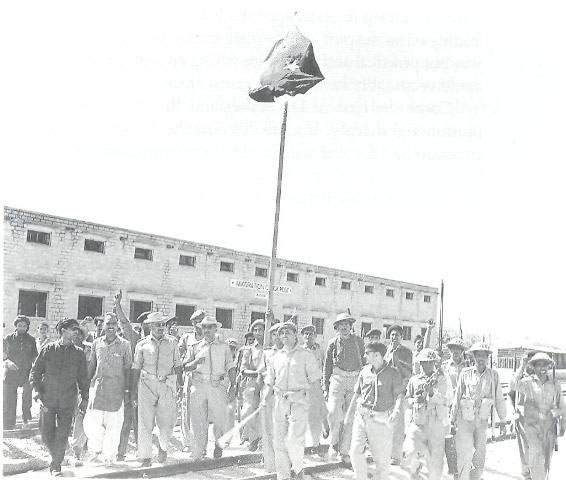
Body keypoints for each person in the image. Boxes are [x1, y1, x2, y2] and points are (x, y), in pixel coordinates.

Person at [30, 318, 89, 476]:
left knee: (62, 433)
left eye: (77, 329)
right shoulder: (48, 349)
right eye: (72, 329)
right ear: (63, 330)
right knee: (46, 432)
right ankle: (56, 456)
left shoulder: (79, 353)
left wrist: (85, 398)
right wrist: (36, 390)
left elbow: (83, 378)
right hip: (48, 398)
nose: (76, 332)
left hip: (67, 400)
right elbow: (36, 372)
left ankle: (56, 465)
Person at [262, 321, 321, 480]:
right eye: (281, 333)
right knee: (279, 442)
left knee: (294, 440)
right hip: (280, 402)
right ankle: (283, 476)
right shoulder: (275, 357)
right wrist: (265, 398)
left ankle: (298, 469)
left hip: (299, 401)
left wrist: (319, 407)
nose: (284, 335)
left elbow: (315, 382)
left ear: (295, 334)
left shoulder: (306, 355)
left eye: (288, 332)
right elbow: (270, 381)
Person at [344, 341, 404, 480]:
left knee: (381, 459)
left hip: (381, 418)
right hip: (362, 415)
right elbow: (357, 394)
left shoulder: (393, 373)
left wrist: (396, 412)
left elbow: (400, 395)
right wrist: (348, 415)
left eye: (367, 353)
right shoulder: (364, 371)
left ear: (377, 355)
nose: (365, 356)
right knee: (354, 451)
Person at [131, 312, 181, 467]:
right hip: (146, 385)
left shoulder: (173, 343)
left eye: (163, 324)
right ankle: (145, 457)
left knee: (166, 422)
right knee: (145, 422)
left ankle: (163, 447)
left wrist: (179, 385)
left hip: (166, 385)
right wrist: (133, 391)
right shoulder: (142, 344)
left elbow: (177, 365)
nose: (161, 328)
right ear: (150, 326)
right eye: (157, 325)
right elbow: (136, 367)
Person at [183, 315, 236, 460]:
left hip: (217, 385)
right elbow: (185, 367)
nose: (206, 330)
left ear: (215, 328)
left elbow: (230, 367)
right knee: (198, 420)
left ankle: (218, 445)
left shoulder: (224, 347)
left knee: (219, 419)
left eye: (209, 327)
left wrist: (233, 385)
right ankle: (199, 451)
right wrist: (194, 362)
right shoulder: (194, 347)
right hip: (199, 385)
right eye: (204, 327)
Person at [451, 342, 506, 480]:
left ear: (488, 358)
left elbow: (499, 399)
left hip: (481, 421)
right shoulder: (465, 373)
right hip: (465, 419)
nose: (481, 359)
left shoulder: (493, 375)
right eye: (478, 356)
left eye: (484, 356)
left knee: (480, 456)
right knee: (465, 453)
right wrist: (452, 420)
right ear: (473, 357)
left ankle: (474, 477)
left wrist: (503, 420)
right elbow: (457, 396)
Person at [83, 313, 132, 466]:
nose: (111, 326)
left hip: (116, 392)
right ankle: (95, 452)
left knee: (114, 426)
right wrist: (85, 389)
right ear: (103, 325)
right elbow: (92, 366)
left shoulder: (125, 344)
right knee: (92, 425)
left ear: (118, 326)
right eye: (108, 323)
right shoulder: (97, 343)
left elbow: (128, 368)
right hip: (97, 390)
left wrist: (128, 391)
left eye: (114, 324)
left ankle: (109, 456)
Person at [511, 352, 565, 480]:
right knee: (536, 462)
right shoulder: (527, 383)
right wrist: (522, 366)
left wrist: (562, 423)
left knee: (546, 463)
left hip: (549, 430)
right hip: (533, 430)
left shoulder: (555, 384)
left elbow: (562, 407)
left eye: (545, 365)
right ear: (533, 367)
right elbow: (513, 385)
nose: (543, 368)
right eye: (539, 364)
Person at [403, 348, 452, 480]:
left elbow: (445, 399)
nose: (427, 365)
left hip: (435, 423)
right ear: (420, 363)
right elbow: (406, 400)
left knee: (435, 463)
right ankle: (416, 471)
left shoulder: (441, 379)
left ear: (435, 363)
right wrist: (414, 400)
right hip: (418, 422)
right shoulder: (414, 379)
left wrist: (431, 393)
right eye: (424, 362)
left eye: (431, 362)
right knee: (410, 453)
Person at [323, 312, 365, 464]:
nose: (344, 327)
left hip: (354, 379)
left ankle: (344, 451)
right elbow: (327, 365)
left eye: (346, 324)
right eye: (341, 325)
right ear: (337, 327)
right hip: (337, 379)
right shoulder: (332, 343)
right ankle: (334, 443)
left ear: (350, 326)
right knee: (334, 413)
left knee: (349, 418)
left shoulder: (358, 341)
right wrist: (325, 387)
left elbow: (365, 362)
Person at [113, 290, 141, 461]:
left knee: (142, 422)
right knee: (126, 419)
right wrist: (117, 304)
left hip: (146, 386)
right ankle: (121, 452)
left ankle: (142, 451)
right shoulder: (135, 338)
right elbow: (123, 322)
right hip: (129, 384)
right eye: (145, 324)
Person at [383, 324, 413, 465]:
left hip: (399, 389)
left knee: (398, 424)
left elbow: (409, 373)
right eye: (392, 335)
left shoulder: (406, 352)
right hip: (386, 390)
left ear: (402, 337)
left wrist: (397, 362)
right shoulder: (385, 351)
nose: (394, 337)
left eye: (397, 335)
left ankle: (396, 456)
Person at [3, 315, 38, 429]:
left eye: (24, 326)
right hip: (11, 373)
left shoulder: (31, 340)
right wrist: (8, 363)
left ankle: (26, 421)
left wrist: (35, 369)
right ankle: (8, 425)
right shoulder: (8, 338)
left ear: (27, 327)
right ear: (16, 326)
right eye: (19, 326)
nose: (22, 328)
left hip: (26, 373)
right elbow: (3, 357)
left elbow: (34, 357)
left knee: (27, 398)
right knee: (9, 399)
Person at [508, 350, 537, 480]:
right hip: (522, 418)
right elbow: (511, 393)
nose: (530, 364)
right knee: (525, 450)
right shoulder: (519, 376)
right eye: (528, 361)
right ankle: (527, 475)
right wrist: (513, 412)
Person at [179, 310, 205, 452]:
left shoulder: (210, 337)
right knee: (187, 408)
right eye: (194, 322)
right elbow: (179, 355)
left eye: (199, 321)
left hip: (205, 377)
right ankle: (187, 442)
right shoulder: (187, 338)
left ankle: (200, 441)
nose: (196, 324)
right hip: (190, 376)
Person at [259, 318, 282, 473]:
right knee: (268, 431)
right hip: (268, 395)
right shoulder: (267, 353)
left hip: (285, 397)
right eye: (274, 334)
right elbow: (261, 374)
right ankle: (270, 465)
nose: (277, 337)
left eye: (279, 334)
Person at [238, 318, 265, 451]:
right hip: (253, 384)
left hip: (267, 385)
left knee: (265, 413)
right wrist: (258, 373)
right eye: (255, 330)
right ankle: (252, 437)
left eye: (261, 329)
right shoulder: (249, 349)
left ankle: (259, 440)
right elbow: (243, 370)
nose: (258, 332)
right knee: (248, 412)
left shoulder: (270, 348)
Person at [442, 336, 467, 478]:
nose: (455, 352)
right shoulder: (445, 366)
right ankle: (453, 468)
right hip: (448, 405)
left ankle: (463, 468)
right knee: (449, 438)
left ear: (462, 351)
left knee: (462, 438)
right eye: (453, 349)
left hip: (463, 406)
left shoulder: (468, 366)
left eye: (458, 349)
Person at [301, 324, 327, 450]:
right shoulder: (299, 351)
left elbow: (324, 368)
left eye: (311, 333)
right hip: (301, 386)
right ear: (302, 336)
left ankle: (316, 443)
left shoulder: (320, 351)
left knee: (315, 415)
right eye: (305, 333)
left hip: (315, 386)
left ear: (315, 336)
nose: (308, 336)